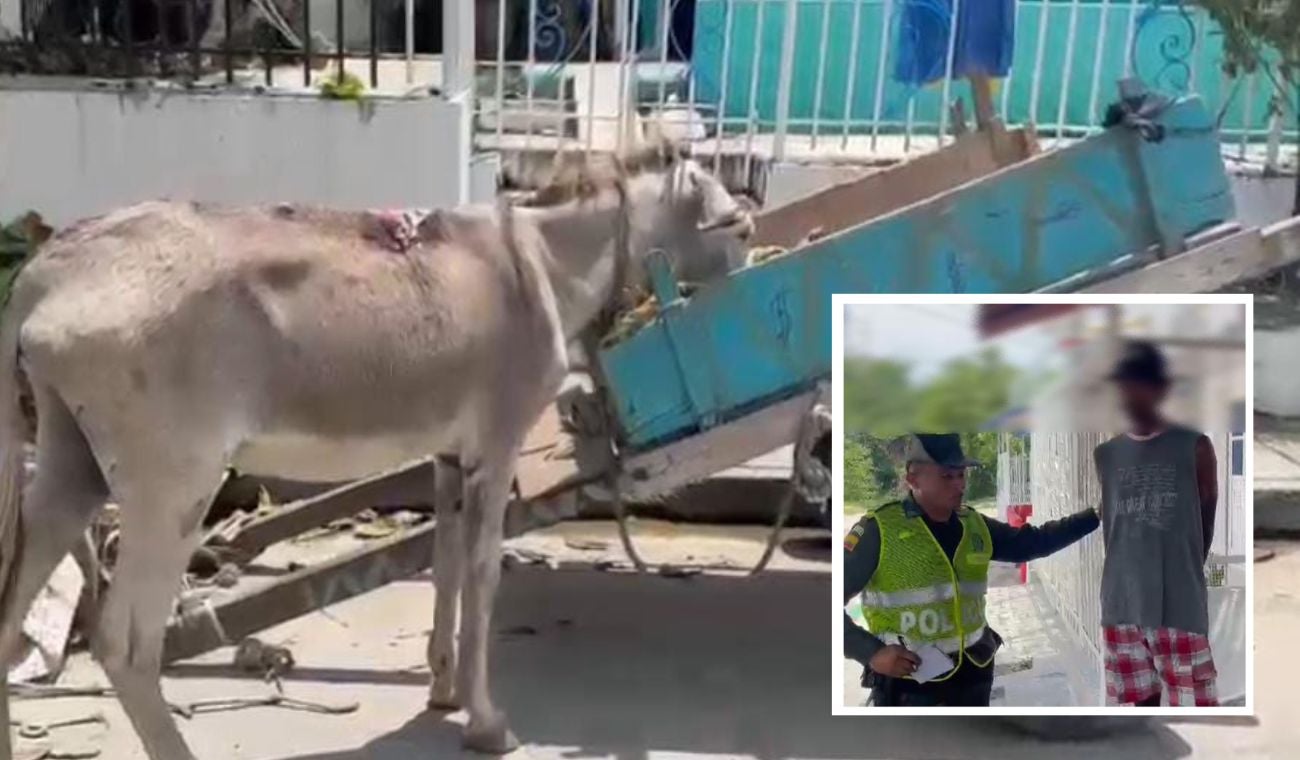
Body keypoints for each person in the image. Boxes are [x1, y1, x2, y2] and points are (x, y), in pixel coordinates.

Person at [843, 433, 1100, 707]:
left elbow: (1032, 542)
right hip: (910, 687)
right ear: (913, 479)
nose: (959, 484)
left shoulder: (974, 525)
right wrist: (871, 653)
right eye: (947, 476)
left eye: (961, 475)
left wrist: (1095, 516)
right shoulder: (879, 531)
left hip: (974, 676)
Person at [1095, 340, 1219, 707]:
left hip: (1179, 609)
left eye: (1137, 385)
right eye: (1120, 388)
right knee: (1136, 718)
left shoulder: (1194, 446)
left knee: (1196, 716)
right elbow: (1115, 533)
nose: (1128, 397)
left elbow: (1204, 525)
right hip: (1121, 608)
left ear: (1161, 389)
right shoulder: (1106, 455)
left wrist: (1180, 577)